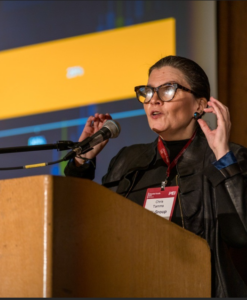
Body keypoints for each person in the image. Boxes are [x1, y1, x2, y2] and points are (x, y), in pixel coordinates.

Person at [64, 55, 247, 298]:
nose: (154, 100)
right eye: (148, 92)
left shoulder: (229, 157)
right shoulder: (128, 161)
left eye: (168, 90)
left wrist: (223, 157)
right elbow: (89, 230)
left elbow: (241, 234)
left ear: (199, 105)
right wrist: (81, 160)